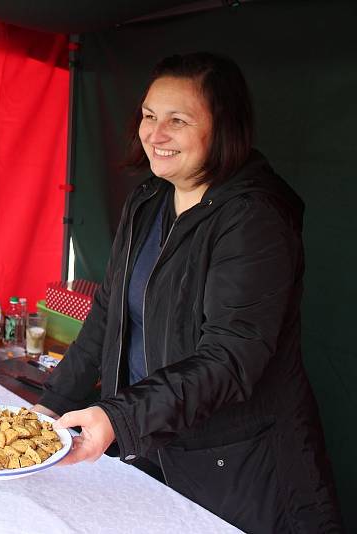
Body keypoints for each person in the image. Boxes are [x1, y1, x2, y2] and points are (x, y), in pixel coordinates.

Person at [33, 52, 342, 532]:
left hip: (234, 464)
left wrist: (120, 416)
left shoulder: (253, 218)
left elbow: (230, 357)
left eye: (177, 120)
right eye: (149, 116)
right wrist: (51, 403)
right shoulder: (148, 199)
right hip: (150, 443)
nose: (155, 134)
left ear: (224, 128)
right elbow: (109, 313)